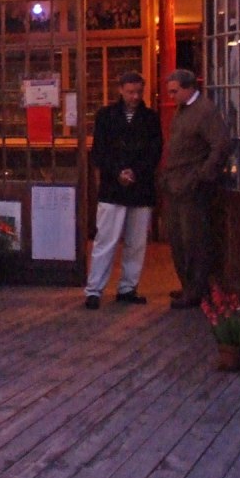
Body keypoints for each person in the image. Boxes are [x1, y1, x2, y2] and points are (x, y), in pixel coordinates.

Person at [84, 71, 163, 310]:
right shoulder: (106, 116)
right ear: (120, 90)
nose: (135, 96)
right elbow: (99, 151)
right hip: (113, 186)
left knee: (136, 242)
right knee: (105, 240)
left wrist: (134, 172)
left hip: (140, 186)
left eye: (139, 92)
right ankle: (94, 289)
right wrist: (119, 171)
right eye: (130, 92)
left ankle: (128, 287)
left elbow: (155, 150)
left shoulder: (150, 118)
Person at [159, 69, 231, 309]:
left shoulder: (205, 111)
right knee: (178, 239)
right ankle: (187, 285)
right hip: (176, 185)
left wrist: (202, 176)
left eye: (174, 91)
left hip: (191, 186)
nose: (171, 96)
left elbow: (220, 145)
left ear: (189, 87)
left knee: (194, 240)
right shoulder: (183, 110)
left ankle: (196, 290)